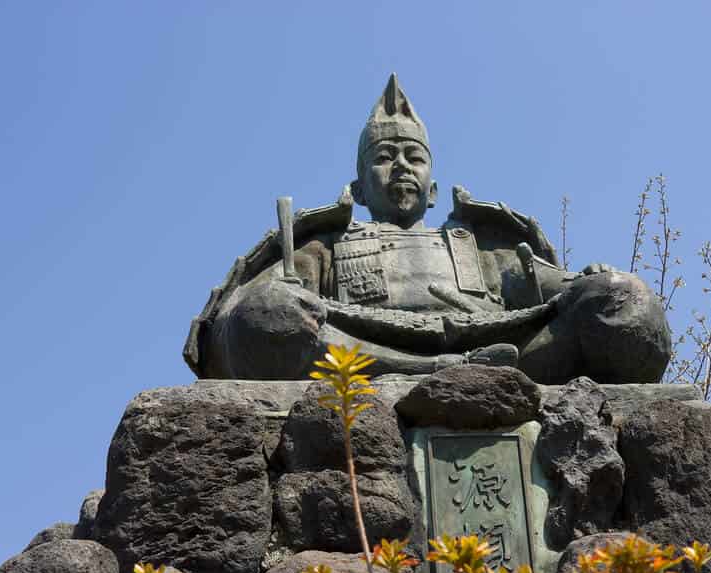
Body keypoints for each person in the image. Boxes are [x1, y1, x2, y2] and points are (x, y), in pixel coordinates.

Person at [184, 74, 671, 384]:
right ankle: (429, 373)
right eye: (384, 157)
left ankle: (463, 370)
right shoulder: (329, 246)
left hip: (498, 341)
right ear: (359, 186)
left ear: (433, 189)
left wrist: (592, 284)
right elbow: (243, 319)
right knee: (267, 313)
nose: (400, 166)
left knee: (626, 301)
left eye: (413, 157)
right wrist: (280, 296)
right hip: (363, 350)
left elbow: (557, 289)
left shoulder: (479, 246)